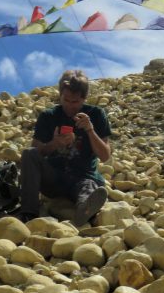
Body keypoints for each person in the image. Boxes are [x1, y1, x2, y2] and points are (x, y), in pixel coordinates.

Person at [17, 70, 112, 226]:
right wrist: (54, 144)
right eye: (66, 100)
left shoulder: (96, 114)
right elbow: (35, 152)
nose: (69, 106)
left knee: (88, 187)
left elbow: (105, 156)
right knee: (29, 153)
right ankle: (28, 213)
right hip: (54, 178)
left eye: (75, 102)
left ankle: (84, 210)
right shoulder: (49, 116)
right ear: (60, 95)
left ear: (84, 98)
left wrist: (90, 130)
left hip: (84, 176)